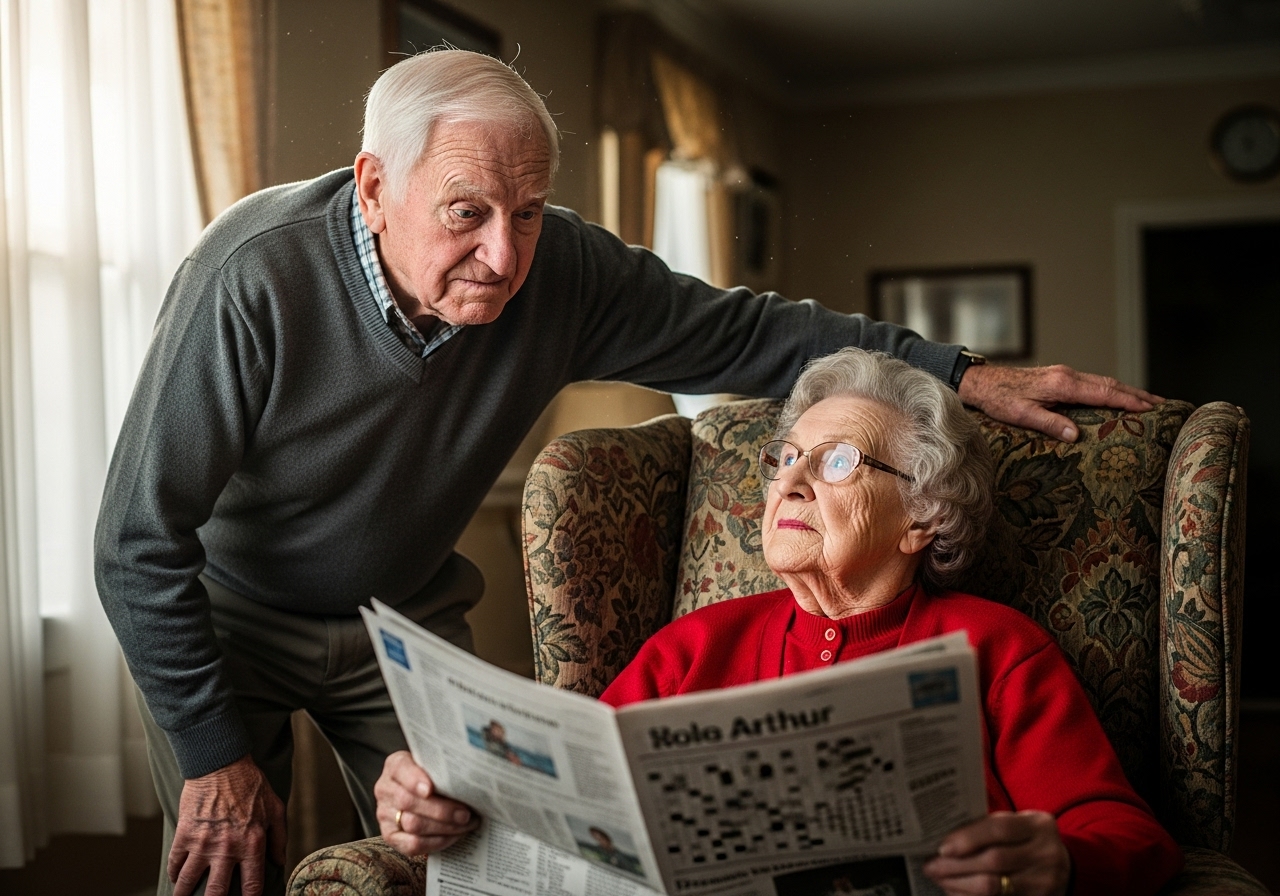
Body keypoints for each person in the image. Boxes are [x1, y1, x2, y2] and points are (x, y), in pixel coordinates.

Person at [94, 47, 1159, 896]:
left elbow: (751, 333)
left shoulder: (559, 269)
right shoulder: (253, 274)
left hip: (399, 612)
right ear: (375, 186)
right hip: (227, 609)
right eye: (466, 211)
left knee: (457, 854)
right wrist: (210, 753)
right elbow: (137, 539)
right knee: (221, 863)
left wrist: (954, 371)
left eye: (527, 212)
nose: (507, 259)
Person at [378, 349, 1182, 896]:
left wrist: (1059, 862)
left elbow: (1130, 835)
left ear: (921, 519)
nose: (789, 481)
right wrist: (439, 798)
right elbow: (566, 796)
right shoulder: (694, 646)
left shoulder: (995, 647)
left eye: (837, 462)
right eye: (784, 458)